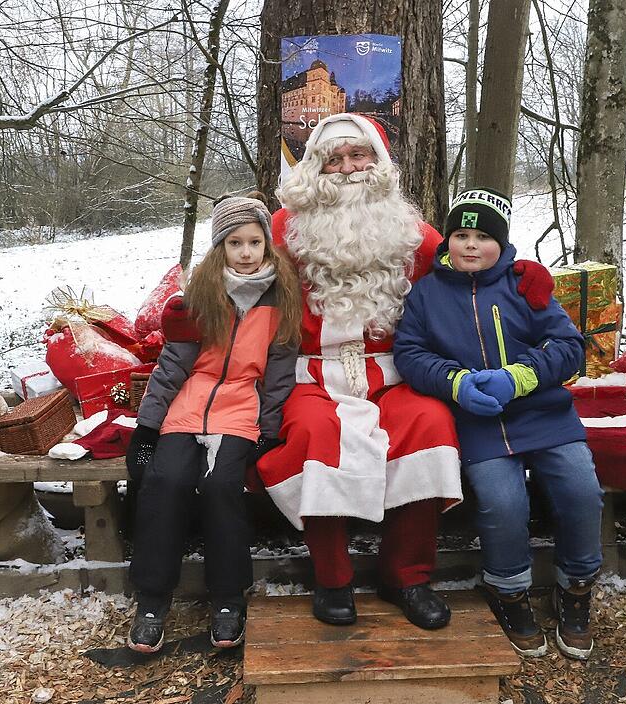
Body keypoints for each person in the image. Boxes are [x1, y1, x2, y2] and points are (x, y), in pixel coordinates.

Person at [255, 113, 464, 629]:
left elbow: (468, 280)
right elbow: (238, 282)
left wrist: (522, 280)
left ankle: (407, 576)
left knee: (430, 425)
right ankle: (332, 578)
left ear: (378, 163)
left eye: (358, 156)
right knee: (314, 432)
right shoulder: (284, 229)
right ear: (315, 169)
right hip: (312, 376)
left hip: (393, 374)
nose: (347, 168)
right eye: (334, 159)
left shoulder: (412, 232)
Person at [393, 187, 604, 660]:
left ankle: (576, 586)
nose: (471, 245)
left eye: (484, 236)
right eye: (461, 234)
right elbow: (410, 353)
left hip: (544, 414)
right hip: (478, 424)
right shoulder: (426, 293)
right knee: (502, 501)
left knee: (580, 488)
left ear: (502, 243)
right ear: (446, 240)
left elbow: (569, 347)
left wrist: (519, 377)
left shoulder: (525, 283)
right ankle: (507, 590)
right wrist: (456, 382)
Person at [124, 195, 301, 653]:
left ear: (267, 245)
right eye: (234, 242)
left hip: (241, 407)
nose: (246, 252)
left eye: (255, 242)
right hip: (189, 403)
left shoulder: (281, 299)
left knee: (223, 486)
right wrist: (146, 429)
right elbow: (171, 367)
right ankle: (151, 598)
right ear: (220, 246)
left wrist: (267, 431)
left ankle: (226, 599)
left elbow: (279, 378)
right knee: (165, 481)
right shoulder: (197, 298)